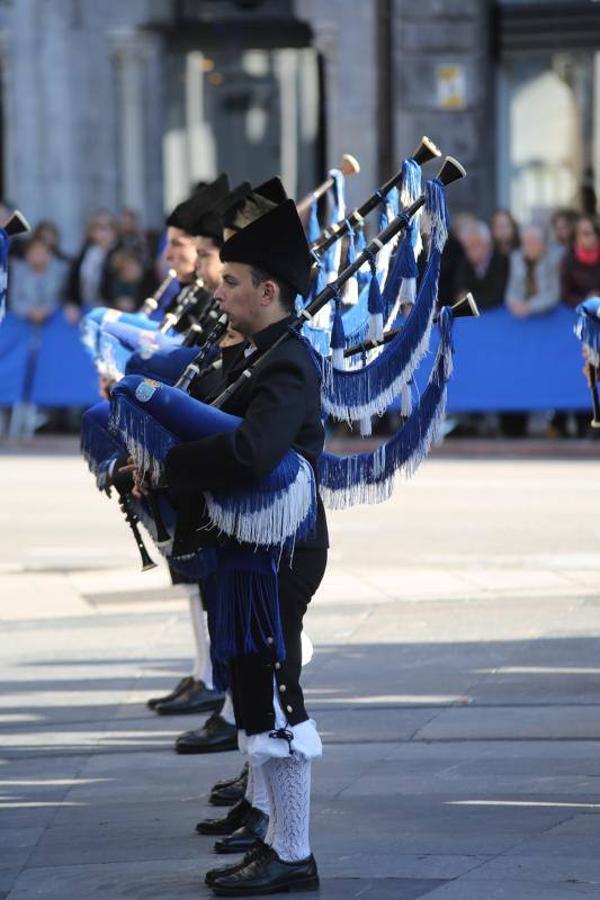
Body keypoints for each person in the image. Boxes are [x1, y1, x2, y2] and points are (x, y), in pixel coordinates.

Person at [157, 200, 326, 894]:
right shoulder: (256, 355)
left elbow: (253, 451)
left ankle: (293, 850)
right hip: (246, 550)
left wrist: (175, 465)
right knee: (254, 687)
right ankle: (270, 829)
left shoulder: (287, 366)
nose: (218, 289)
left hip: (278, 555)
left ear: (269, 291)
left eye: (231, 280)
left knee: (275, 694)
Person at [501, 225, 560, 437]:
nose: (529, 247)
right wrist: (514, 304)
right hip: (520, 332)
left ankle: (557, 425)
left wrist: (529, 307)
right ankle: (515, 427)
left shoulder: (553, 260)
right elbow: (511, 290)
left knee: (552, 377)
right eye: (526, 242)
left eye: (534, 242)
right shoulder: (516, 259)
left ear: (543, 244)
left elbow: (553, 294)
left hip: (549, 329)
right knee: (517, 375)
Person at [66, 211, 121, 310]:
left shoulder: (122, 253)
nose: (106, 232)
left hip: (113, 310)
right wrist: (72, 303)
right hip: (87, 309)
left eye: (110, 227)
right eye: (101, 228)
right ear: (91, 231)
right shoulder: (85, 253)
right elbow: (73, 282)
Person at [9, 236, 68, 324]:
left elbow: (62, 298)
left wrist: (47, 310)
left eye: (41, 253)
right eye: (34, 253)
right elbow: (15, 300)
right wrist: (30, 312)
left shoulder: (59, 271)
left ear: (49, 255)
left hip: (53, 319)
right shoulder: (18, 272)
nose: (38, 257)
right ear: (27, 255)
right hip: (23, 319)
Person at [455, 220, 509, 310]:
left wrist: (471, 300)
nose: (471, 251)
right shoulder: (464, 262)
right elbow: (460, 291)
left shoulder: (501, 261)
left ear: (487, 244)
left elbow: (498, 295)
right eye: (468, 246)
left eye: (476, 245)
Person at [561, 214, 600, 308]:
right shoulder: (568, 260)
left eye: (595, 232)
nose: (593, 237)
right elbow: (565, 294)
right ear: (576, 237)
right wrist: (585, 299)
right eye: (586, 233)